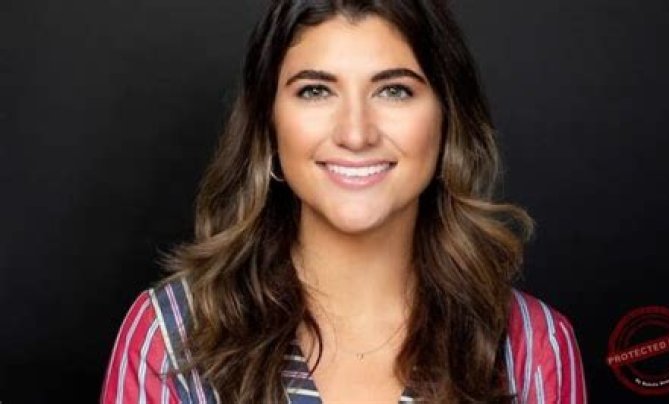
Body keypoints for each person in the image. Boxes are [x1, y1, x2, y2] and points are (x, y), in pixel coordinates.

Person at [101, 1, 587, 403]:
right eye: (315, 90)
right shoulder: (172, 336)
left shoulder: (532, 347)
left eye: (394, 90)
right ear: (269, 125)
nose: (356, 134)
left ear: (447, 120)